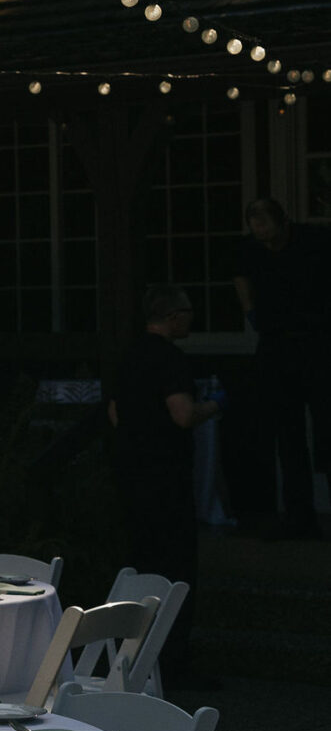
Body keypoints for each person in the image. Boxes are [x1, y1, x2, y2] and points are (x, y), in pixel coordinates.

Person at [108, 285, 220, 687]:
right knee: (175, 568)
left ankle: (132, 657)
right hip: (166, 477)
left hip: (131, 475)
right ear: (174, 317)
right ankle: (174, 662)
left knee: (140, 561)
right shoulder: (170, 358)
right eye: (188, 312)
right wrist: (214, 406)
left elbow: (116, 413)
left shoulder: (129, 356)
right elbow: (182, 414)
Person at [234, 197, 331, 538]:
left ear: (282, 222)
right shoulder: (252, 249)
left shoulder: (313, 241)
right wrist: (250, 311)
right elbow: (241, 275)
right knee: (287, 433)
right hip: (277, 343)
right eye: (255, 227)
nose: (262, 234)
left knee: (326, 426)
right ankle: (300, 516)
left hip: (317, 342)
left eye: (265, 226)